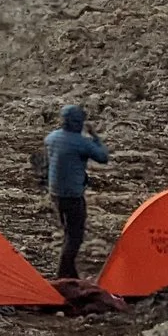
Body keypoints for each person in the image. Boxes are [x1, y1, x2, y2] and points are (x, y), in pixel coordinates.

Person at [43, 104, 111, 280]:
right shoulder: (81, 143)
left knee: (68, 231)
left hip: (55, 192)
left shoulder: (52, 138)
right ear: (79, 122)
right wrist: (95, 136)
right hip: (73, 195)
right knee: (75, 236)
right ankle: (63, 274)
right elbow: (103, 157)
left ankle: (71, 274)